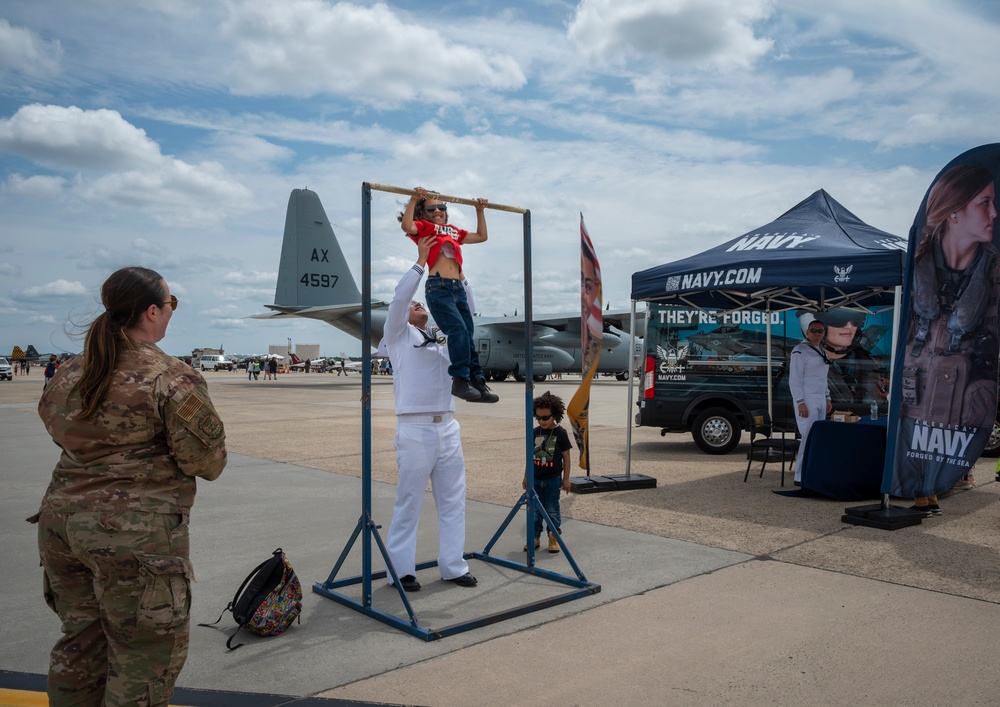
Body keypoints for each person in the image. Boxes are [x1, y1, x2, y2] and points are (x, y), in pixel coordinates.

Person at [30, 266, 227, 706]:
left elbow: (56, 426)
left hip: (62, 528)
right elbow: (207, 462)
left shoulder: (70, 372)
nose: (172, 312)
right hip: (134, 539)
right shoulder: (171, 376)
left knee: (80, 646)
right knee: (143, 663)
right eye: (171, 304)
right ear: (153, 311)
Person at [897, 164, 999, 515]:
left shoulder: (994, 271)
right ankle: (921, 495)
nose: (994, 213)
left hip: (963, 410)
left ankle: (932, 493)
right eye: (984, 203)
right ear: (954, 212)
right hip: (913, 402)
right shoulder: (915, 263)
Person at [380, 234, 478, 592]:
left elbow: (469, 313)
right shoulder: (398, 336)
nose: (419, 304)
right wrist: (421, 264)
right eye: (415, 304)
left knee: (453, 501)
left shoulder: (442, 336)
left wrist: (458, 273)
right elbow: (400, 299)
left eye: (423, 302)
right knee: (409, 503)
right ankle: (400, 570)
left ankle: (453, 565)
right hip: (415, 428)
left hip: (448, 425)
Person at [399, 186, 498, 404]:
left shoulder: (453, 230)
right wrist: (414, 200)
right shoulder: (424, 228)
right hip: (439, 287)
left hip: (457, 288)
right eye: (431, 208)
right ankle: (459, 380)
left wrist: (479, 210)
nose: (437, 211)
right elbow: (407, 225)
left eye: (441, 207)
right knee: (458, 331)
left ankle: (477, 380)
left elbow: (482, 236)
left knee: (468, 334)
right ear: (423, 213)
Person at [523, 391, 573, 554]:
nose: (541, 421)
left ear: (555, 415)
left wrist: (566, 479)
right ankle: (534, 538)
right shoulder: (535, 432)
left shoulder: (561, 433)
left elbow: (566, 457)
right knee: (534, 510)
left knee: (552, 509)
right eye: (538, 418)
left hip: (552, 479)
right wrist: (526, 476)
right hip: (535, 478)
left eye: (545, 418)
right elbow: (530, 456)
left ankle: (553, 536)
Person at [788, 319, 832, 484]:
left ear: (823, 333)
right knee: (807, 437)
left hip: (820, 397)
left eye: (820, 331)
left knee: (818, 438)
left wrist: (827, 397)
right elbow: (794, 379)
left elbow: (823, 378)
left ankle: (814, 472)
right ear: (807, 332)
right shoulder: (800, 350)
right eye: (813, 330)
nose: (816, 334)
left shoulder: (821, 350)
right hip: (806, 398)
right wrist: (800, 401)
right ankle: (799, 476)